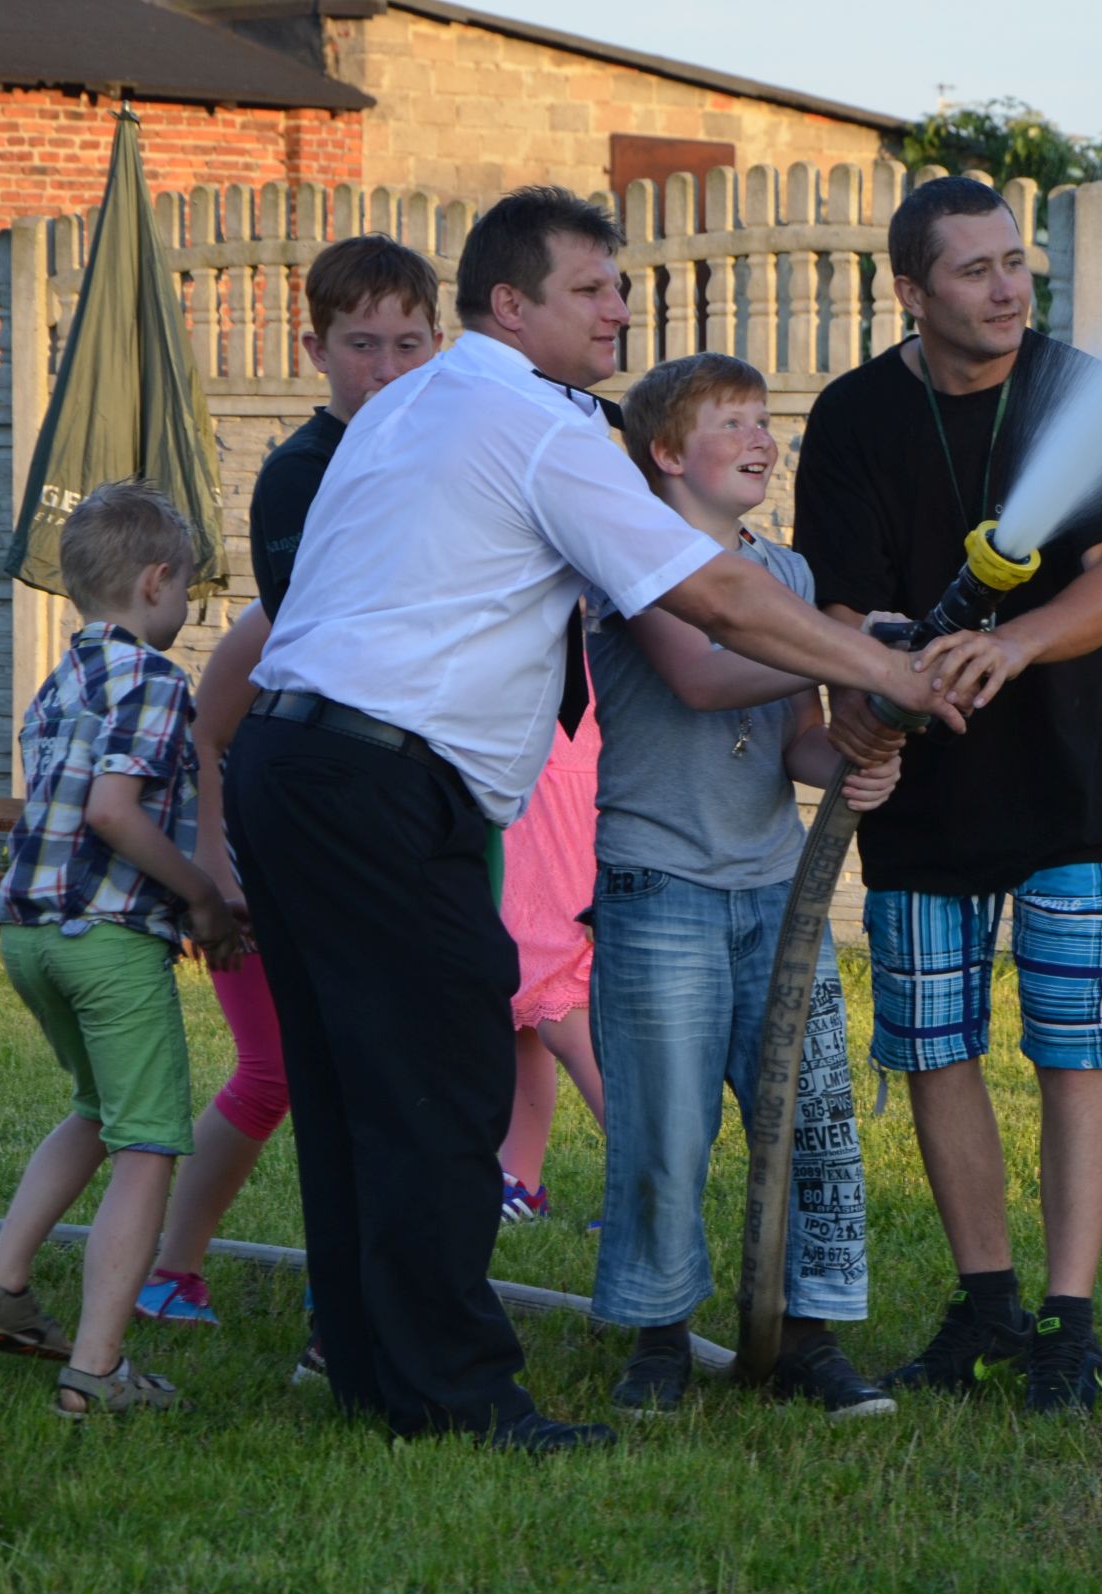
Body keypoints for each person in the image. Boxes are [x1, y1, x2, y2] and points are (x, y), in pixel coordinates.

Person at [225, 185, 967, 1454]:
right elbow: (713, 597)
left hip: (294, 766)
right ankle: (462, 1397)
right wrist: (885, 669)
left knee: (357, 1096)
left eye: (619, 287)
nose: (619, 309)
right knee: (444, 1089)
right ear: (509, 305)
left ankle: (377, 1376)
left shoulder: (410, 402)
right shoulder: (537, 422)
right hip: (379, 781)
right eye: (590, 289)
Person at [795, 176, 1102, 1415]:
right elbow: (839, 606)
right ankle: (986, 1303)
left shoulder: (1081, 394)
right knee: (934, 1046)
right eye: (975, 269)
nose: (1008, 288)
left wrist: (1011, 645)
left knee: (1076, 1048)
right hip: (919, 782)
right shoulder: (853, 416)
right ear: (911, 290)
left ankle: (1066, 1323)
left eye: (1016, 262)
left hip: (1077, 778)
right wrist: (875, 691)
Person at [134, 235, 442, 1341]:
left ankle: (340, 1280)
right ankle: (171, 1268)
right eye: (361, 345)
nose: (385, 367)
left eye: (408, 344)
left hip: (386, 834)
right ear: (314, 350)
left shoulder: (439, 472)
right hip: (274, 854)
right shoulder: (298, 519)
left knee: (353, 1074)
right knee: (276, 1073)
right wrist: (213, 866)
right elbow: (209, 736)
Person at [589, 352, 900, 1420]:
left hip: (774, 888)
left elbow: (796, 741)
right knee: (666, 1128)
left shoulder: (791, 577)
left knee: (811, 1118)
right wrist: (855, 654)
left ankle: (806, 1334)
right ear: (668, 453)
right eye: (733, 422)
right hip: (659, 883)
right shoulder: (633, 557)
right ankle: (659, 1337)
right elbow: (701, 674)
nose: (763, 439)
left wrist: (857, 755)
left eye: (766, 420)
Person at [0, 482, 244, 1417]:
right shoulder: (154, 680)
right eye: (187, 588)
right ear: (156, 582)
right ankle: (97, 1367)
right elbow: (114, 814)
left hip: (32, 938)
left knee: (94, 1109)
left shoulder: (61, 677)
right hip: (108, 942)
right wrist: (202, 897)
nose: (188, 606)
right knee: (148, 1144)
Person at [495, 703, 608, 1224]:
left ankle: (650, 1188)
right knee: (518, 1001)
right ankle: (520, 1181)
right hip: (515, 777)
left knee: (563, 1006)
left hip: (563, 781)